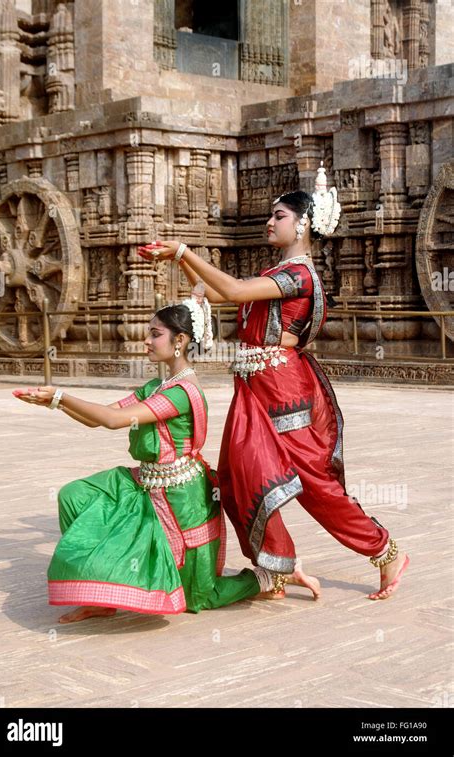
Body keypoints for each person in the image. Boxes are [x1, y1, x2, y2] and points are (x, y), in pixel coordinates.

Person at [138, 165, 410, 602]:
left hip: (285, 391)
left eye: (279, 215)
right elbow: (223, 293)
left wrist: (185, 251)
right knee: (236, 478)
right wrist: (182, 264)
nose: (270, 221)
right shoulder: (276, 271)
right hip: (253, 388)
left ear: (303, 223)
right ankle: (276, 566)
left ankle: (385, 551)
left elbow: (236, 293)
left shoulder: (298, 274)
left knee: (315, 485)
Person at [13, 298, 315, 623]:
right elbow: (106, 415)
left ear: (179, 341)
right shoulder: (157, 387)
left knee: (198, 597)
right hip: (147, 483)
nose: (146, 340)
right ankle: (100, 594)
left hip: (184, 501)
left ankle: (271, 577)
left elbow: (115, 422)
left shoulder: (181, 392)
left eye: (155, 334)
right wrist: (55, 403)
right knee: (76, 496)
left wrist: (61, 396)